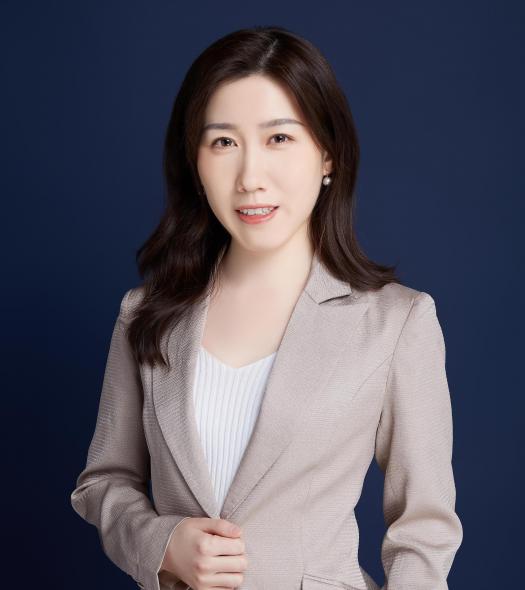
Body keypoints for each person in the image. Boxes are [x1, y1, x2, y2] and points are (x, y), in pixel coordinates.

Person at [70, 25, 463, 590]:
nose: (250, 178)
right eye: (223, 143)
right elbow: (103, 482)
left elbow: (423, 527)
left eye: (279, 138)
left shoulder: (396, 322)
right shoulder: (144, 313)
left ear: (327, 154)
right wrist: (162, 544)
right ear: (195, 162)